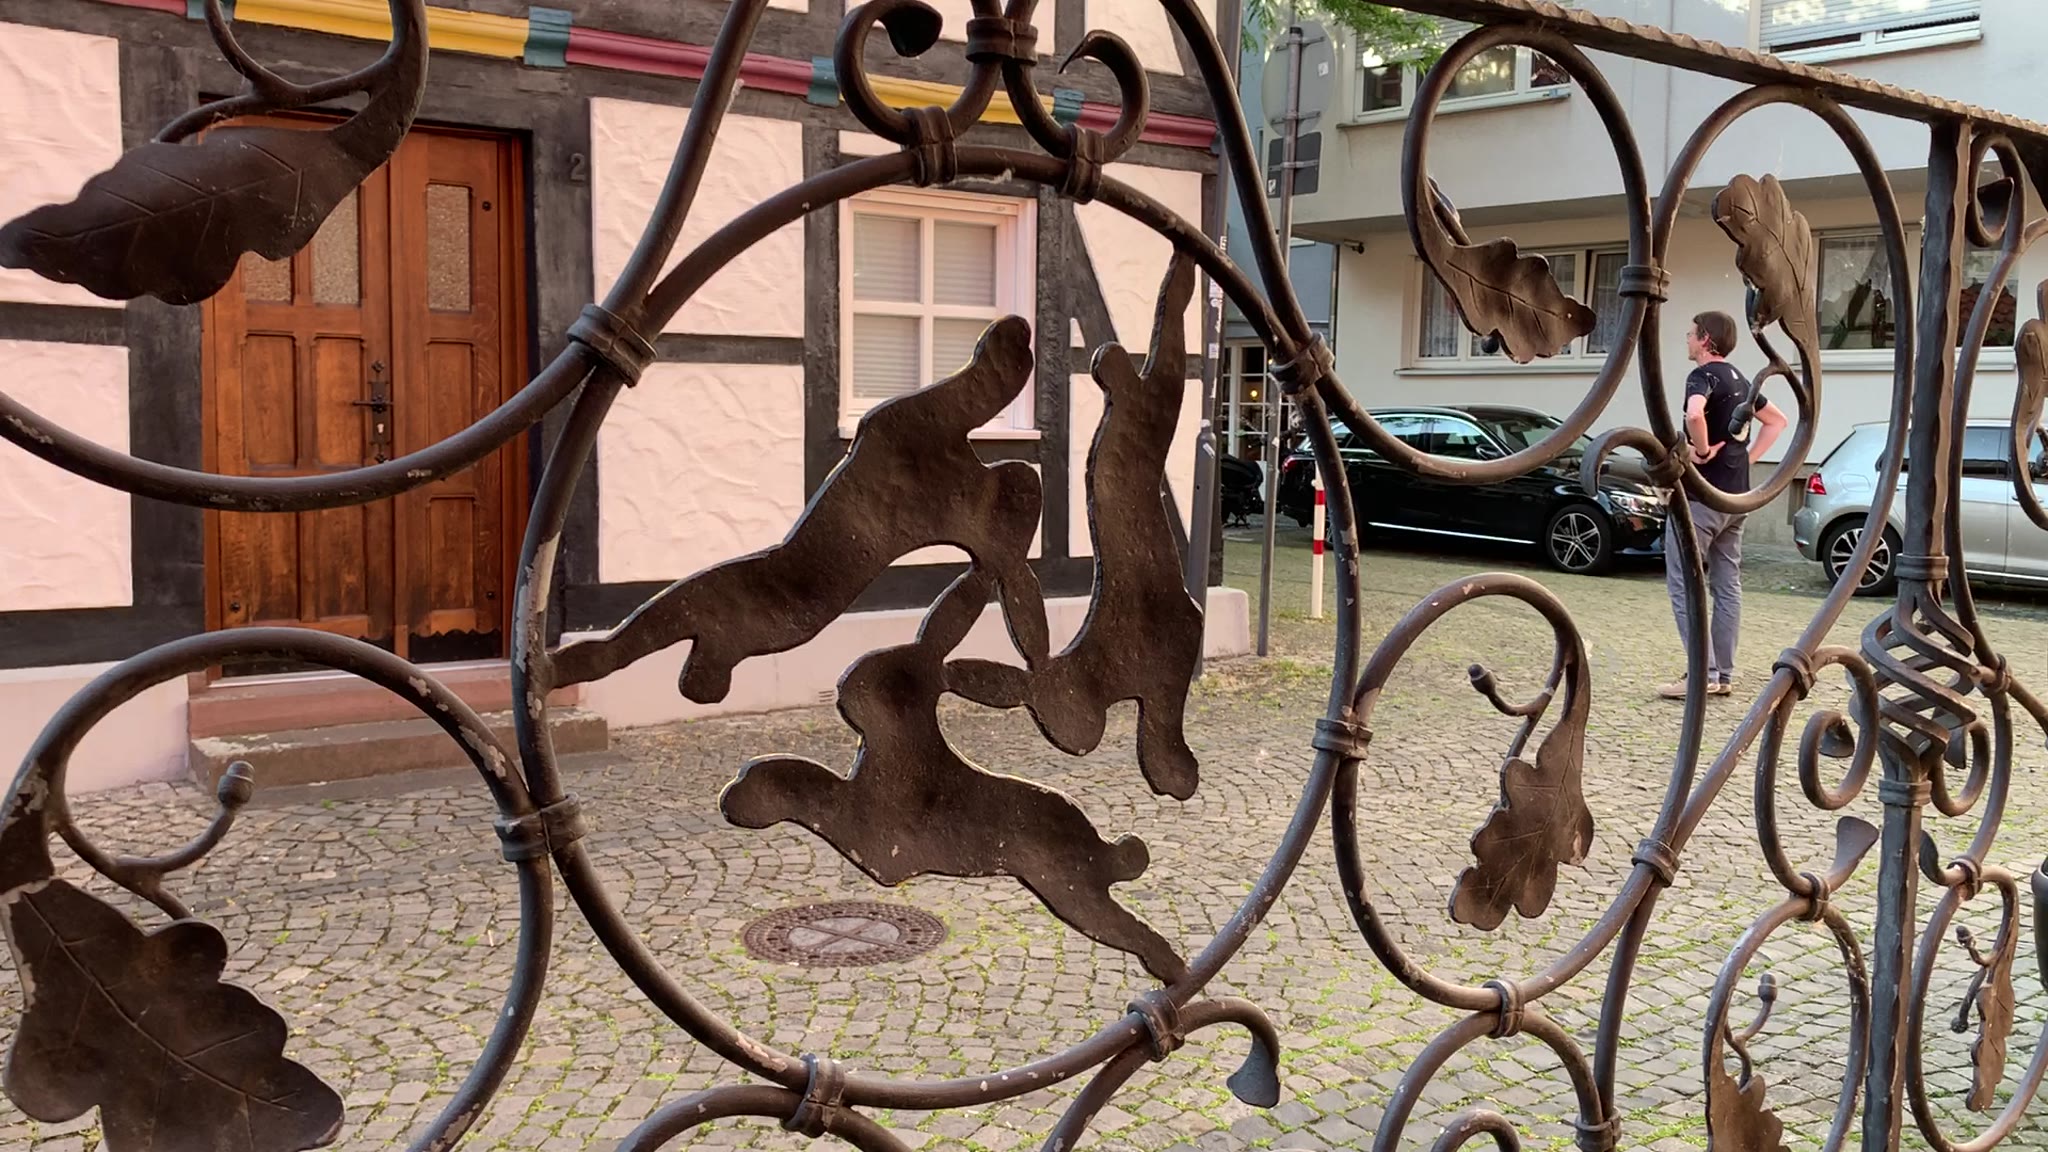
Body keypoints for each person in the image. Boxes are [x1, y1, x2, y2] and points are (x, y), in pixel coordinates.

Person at [1657, 311, 1788, 700]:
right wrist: (1745, 458)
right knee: (1727, 586)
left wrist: (1699, 450)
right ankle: (1722, 674)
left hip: (1701, 499)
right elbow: (1777, 421)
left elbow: (1694, 414)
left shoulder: (1702, 376)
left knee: (1684, 584)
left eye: (1690, 334)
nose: (1687, 339)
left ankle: (1703, 674)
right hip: (1736, 498)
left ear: (1705, 339)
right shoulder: (1740, 380)